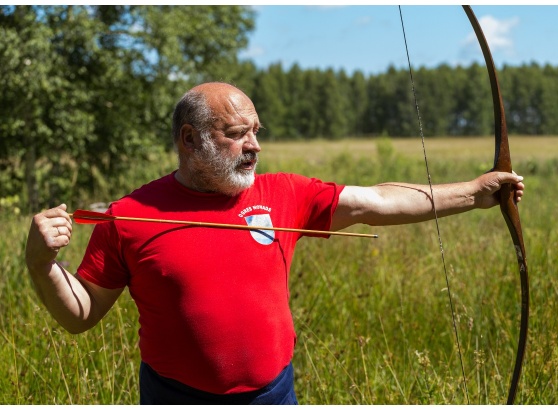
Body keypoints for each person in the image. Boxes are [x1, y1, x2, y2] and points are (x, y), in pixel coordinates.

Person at [25, 82, 525, 405]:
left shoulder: (283, 192)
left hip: (274, 393)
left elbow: (380, 200)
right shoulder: (130, 215)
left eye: (257, 132)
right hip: (175, 396)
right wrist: (42, 265)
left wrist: (476, 193)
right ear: (189, 139)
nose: (255, 146)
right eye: (238, 134)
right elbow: (80, 314)